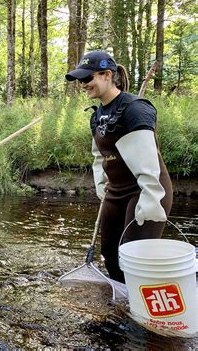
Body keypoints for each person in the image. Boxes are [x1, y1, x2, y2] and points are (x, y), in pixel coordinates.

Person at [65, 51, 173, 283]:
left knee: (133, 257)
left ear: (106, 75)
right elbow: (99, 156)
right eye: (80, 81)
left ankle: (147, 306)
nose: (83, 85)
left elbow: (147, 162)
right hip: (116, 192)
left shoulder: (136, 108)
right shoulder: (96, 116)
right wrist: (101, 183)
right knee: (111, 256)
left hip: (144, 190)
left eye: (87, 79)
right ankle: (121, 305)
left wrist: (151, 198)